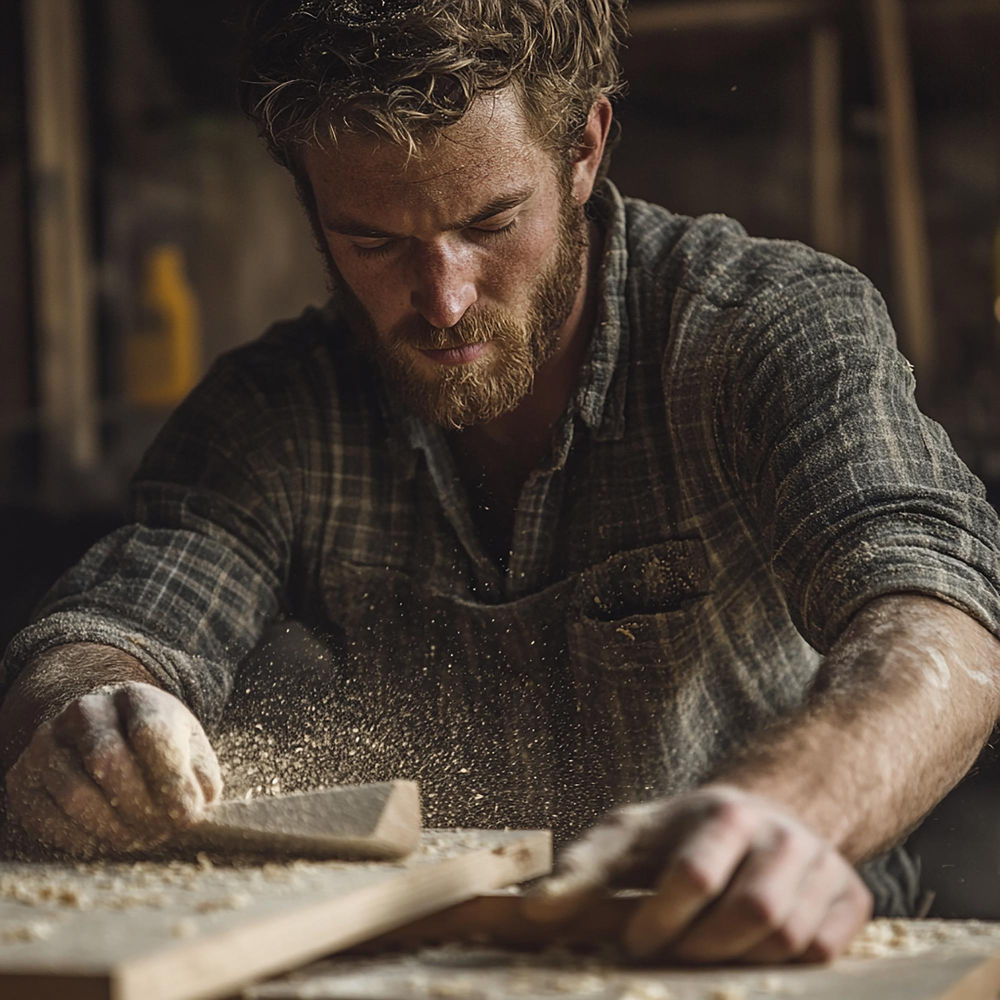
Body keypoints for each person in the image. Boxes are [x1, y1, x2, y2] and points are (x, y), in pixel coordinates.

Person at [3, 0, 1000, 965]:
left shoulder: (764, 329)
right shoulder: (273, 414)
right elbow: (108, 631)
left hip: (777, 958)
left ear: (584, 149)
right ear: (308, 196)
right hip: (454, 963)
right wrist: (90, 713)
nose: (442, 300)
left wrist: (783, 812)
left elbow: (935, 618)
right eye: (375, 241)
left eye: (490, 222)